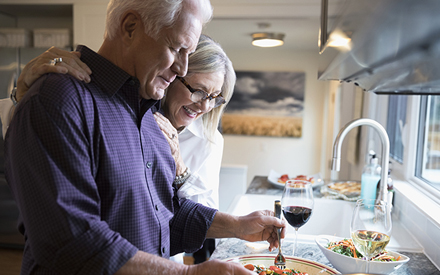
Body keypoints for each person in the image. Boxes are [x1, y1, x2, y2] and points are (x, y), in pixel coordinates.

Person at [4, 0, 285, 274]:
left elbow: (161, 215)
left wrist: (237, 225)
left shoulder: (147, 116)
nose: (182, 69)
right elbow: (71, 240)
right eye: (176, 48)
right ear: (129, 27)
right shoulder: (58, 100)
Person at [4, 33, 234, 265]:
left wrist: (181, 171)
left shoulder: (208, 140)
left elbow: (200, 218)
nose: (205, 106)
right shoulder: (111, 106)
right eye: (199, 91)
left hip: (162, 263)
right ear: (171, 76)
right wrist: (21, 95)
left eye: (214, 98)